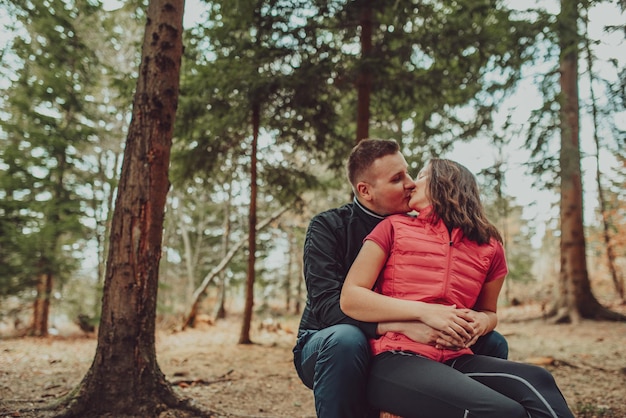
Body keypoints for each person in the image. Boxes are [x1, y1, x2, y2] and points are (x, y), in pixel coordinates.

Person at [340, 158, 575, 418]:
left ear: (444, 184)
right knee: (503, 411)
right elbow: (351, 297)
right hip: (395, 358)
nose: (410, 184)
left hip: (454, 358)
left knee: (538, 379)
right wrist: (424, 312)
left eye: (421, 175)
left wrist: (480, 322)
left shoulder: (489, 245)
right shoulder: (393, 227)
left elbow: (489, 312)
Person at [292, 139, 509, 418]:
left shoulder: (422, 224)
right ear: (365, 191)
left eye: (409, 173)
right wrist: (402, 325)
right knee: (347, 339)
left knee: (493, 342)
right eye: (397, 179)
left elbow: (473, 301)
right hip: (326, 342)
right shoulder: (329, 227)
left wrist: (475, 322)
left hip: (405, 346)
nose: (409, 183)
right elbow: (328, 308)